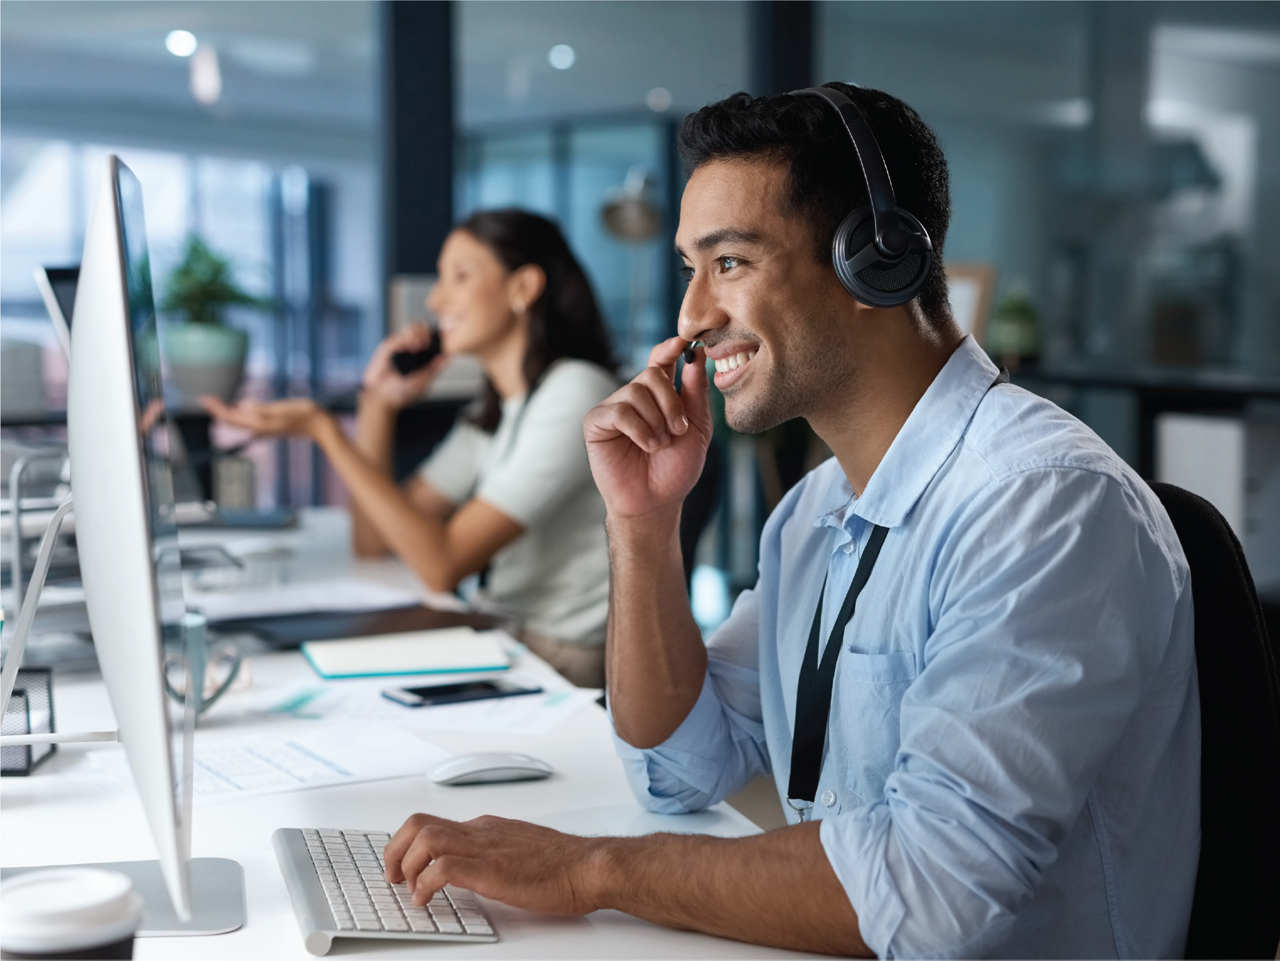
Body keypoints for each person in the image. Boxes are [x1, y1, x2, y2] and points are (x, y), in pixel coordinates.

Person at [380, 85, 1200, 958]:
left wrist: (591, 871)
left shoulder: (1042, 506)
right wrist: (643, 525)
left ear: (874, 262)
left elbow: (927, 894)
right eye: (690, 268)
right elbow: (680, 767)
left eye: (729, 263)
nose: (693, 315)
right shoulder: (817, 512)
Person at [204, 210, 618, 687]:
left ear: (522, 288)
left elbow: (440, 564)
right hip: (506, 635)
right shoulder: (498, 407)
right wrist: (378, 405)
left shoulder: (574, 394)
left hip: (558, 657)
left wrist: (325, 430)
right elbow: (375, 541)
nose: (437, 300)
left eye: (459, 277)